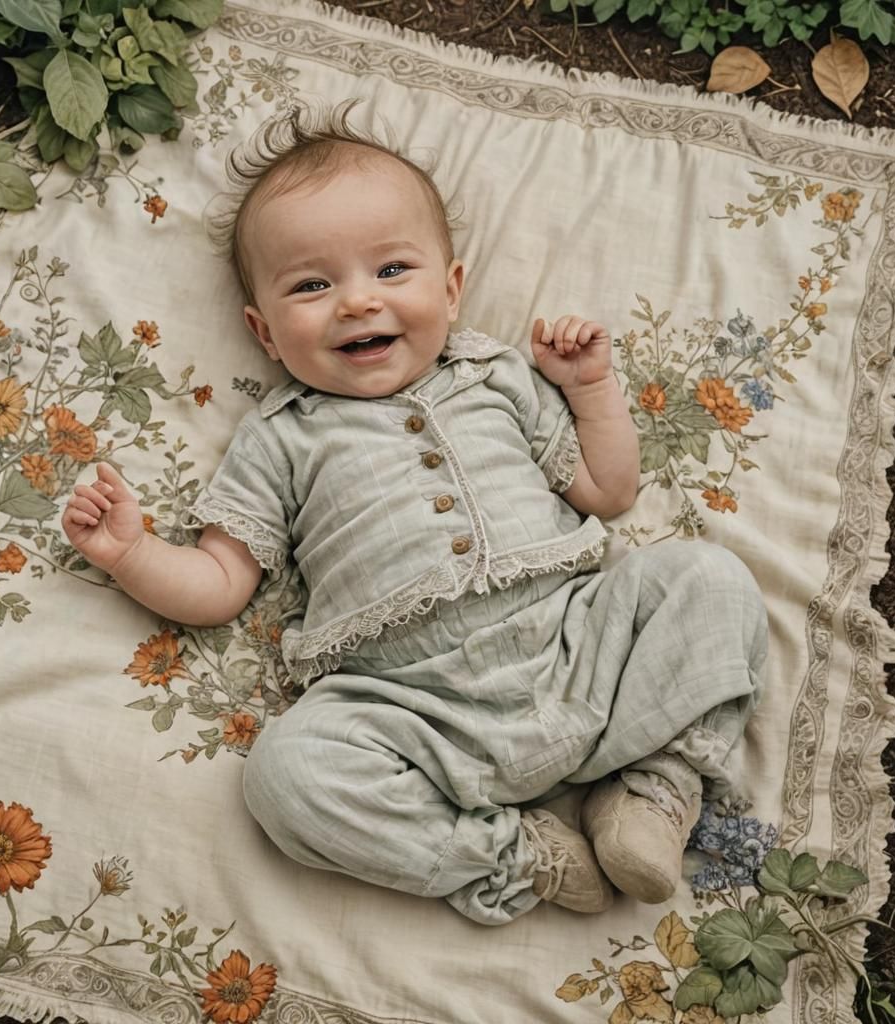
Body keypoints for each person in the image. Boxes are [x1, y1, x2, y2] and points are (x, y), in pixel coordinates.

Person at [63, 106, 768, 926]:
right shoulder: (280, 439)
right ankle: (519, 857)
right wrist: (133, 552)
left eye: (392, 269)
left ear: (452, 287)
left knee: (707, 578)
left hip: (575, 645)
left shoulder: (497, 376)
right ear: (263, 332)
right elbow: (221, 583)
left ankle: (652, 791)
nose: (357, 302)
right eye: (311, 286)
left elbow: (607, 492)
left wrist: (589, 389)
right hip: (409, 707)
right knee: (285, 778)